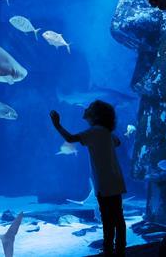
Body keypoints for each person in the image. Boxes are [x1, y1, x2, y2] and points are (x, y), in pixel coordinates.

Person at [50, 100, 127, 256]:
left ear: (95, 115)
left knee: (107, 220)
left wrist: (57, 124)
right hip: (116, 180)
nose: (86, 108)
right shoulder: (105, 132)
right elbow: (117, 142)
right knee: (118, 218)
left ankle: (108, 251)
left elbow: (71, 139)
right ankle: (120, 250)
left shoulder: (93, 132)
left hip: (104, 183)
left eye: (89, 108)